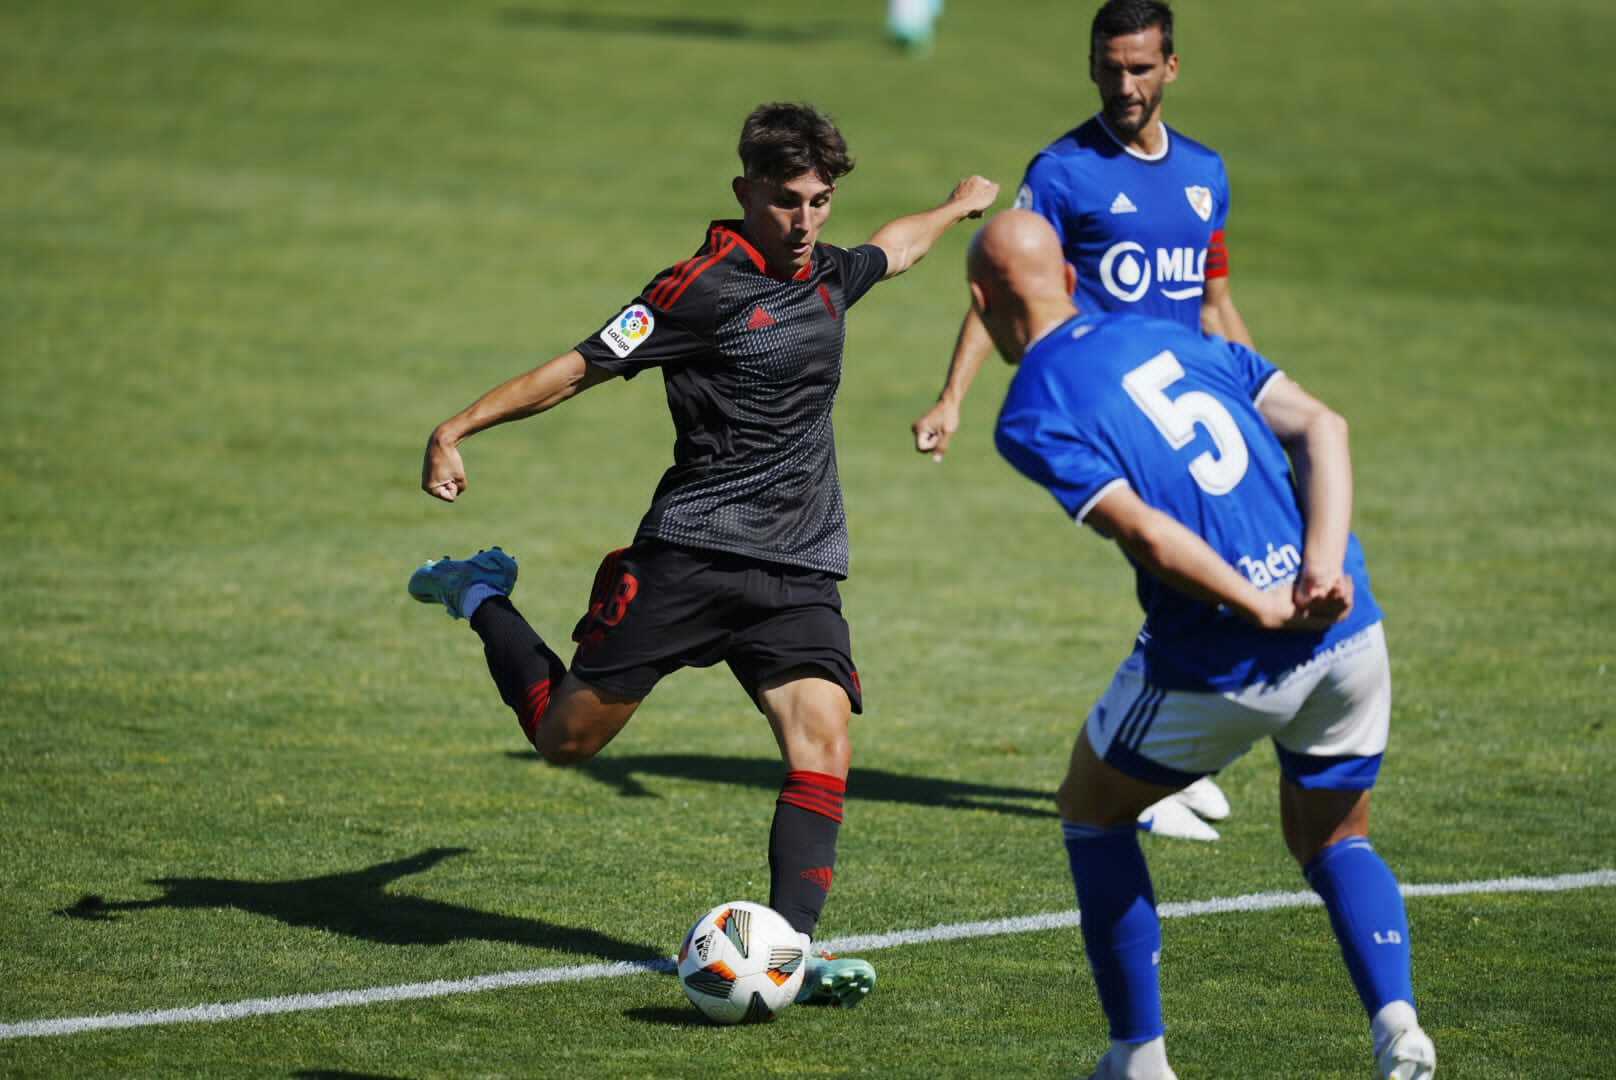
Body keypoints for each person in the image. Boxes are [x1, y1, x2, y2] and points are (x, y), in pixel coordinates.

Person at [408, 101, 998, 1009]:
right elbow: (577, 368)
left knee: (825, 740)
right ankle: (482, 593)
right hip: (691, 554)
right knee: (566, 742)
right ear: (744, 192)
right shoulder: (694, 289)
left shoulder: (830, 273)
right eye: (788, 201)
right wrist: (457, 428)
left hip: (798, 563)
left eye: (821, 201)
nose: (805, 223)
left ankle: (791, 952)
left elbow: (901, 245)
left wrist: (959, 204)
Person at [968, 211, 1435, 1079]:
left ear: (981, 300)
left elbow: (1144, 534)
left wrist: (1259, 606)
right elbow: (1324, 425)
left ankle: (1138, 1059)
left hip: (1225, 658)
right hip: (1348, 626)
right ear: (1069, 281)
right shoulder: (1165, 331)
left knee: (1091, 808)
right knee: (1336, 836)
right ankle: (1398, 1022)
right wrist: (1318, 572)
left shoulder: (1031, 409)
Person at [913, 0, 1252, 841]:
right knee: (1183, 582)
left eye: (1140, 68)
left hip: (1191, 409)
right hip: (1112, 412)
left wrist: (1253, 397)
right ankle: (1151, 771)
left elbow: (1215, 303)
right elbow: (1002, 286)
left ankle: (1178, 758)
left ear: (1171, 67)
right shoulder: (1063, 173)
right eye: (1110, 68)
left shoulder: (1206, 173)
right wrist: (953, 397)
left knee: (1201, 584)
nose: (1124, 84)